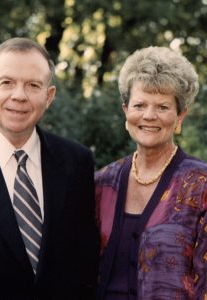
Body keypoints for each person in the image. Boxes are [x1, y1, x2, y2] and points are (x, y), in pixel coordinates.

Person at [0, 37, 99, 299]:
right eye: (7, 83)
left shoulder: (76, 162)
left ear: (48, 96)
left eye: (33, 85)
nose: (19, 95)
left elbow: (84, 260)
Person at [95, 46, 207, 300]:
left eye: (163, 107)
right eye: (140, 104)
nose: (149, 115)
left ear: (180, 116)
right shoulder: (102, 183)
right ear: (125, 111)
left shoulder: (201, 185)